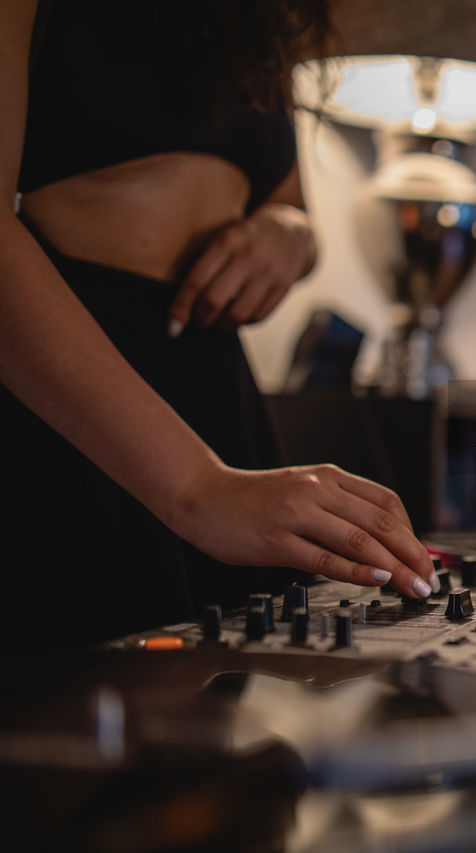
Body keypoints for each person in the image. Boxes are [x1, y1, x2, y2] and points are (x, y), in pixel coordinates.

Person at [1, 0, 439, 647]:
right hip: (71, 385)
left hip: (217, 391)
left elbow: (290, 207)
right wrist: (198, 486)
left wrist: (288, 235)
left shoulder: (258, 15)